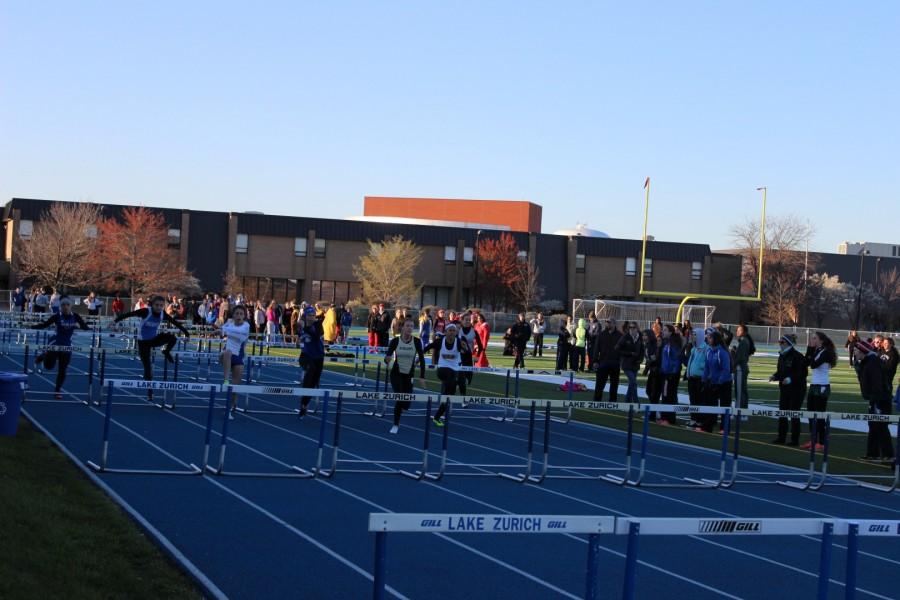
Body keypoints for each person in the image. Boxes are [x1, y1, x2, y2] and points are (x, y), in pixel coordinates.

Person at [114, 296, 190, 394]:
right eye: (157, 305)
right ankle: (150, 391)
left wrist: (186, 333)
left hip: (154, 339)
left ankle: (166, 351)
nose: (159, 307)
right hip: (143, 343)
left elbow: (175, 323)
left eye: (161, 306)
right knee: (147, 367)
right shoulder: (146, 312)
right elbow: (129, 314)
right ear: (152, 305)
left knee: (172, 338)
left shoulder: (163, 314)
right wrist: (115, 321)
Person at [33, 296, 90, 398]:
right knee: (49, 367)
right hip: (55, 342)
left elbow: (84, 326)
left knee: (63, 369)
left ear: (70, 306)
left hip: (67, 345)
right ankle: (44, 356)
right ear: (60, 306)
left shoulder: (75, 316)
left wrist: (89, 327)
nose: (65, 307)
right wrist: (31, 326)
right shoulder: (57, 316)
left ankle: (57, 390)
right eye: (63, 305)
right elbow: (44, 325)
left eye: (67, 305)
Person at [384, 317, 426, 433]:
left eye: (412, 326)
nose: (409, 328)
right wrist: (386, 359)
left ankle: (402, 407)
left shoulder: (417, 341)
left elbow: (422, 360)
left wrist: (422, 377)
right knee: (400, 397)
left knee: (406, 404)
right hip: (396, 374)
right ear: (402, 327)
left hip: (409, 375)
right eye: (407, 326)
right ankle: (395, 425)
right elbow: (387, 357)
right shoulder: (395, 341)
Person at [854, 340, 894, 462]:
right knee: (873, 426)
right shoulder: (868, 361)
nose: (854, 353)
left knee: (881, 426)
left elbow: (877, 384)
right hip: (876, 399)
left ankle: (888, 455)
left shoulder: (872, 363)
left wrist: (875, 401)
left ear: (863, 351)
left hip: (880, 400)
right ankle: (873, 454)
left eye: (856, 350)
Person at [424, 323, 468, 426]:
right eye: (450, 330)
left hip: (455, 370)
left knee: (449, 395)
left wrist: (465, 349)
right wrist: (418, 358)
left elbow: (466, 352)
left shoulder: (458, 342)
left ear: (456, 333)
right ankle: (446, 394)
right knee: (451, 379)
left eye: (454, 330)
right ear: (446, 332)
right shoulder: (440, 341)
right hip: (442, 370)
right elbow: (427, 348)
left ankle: (437, 417)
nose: (452, 332)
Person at [769, 334, 809, 446]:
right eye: (779, 342)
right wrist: (775, 376)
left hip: (797, 390)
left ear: (788, 344)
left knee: (793, 414)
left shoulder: (798, 356)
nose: (780, 344)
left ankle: (794, 440)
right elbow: (780, 372)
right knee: (782, 413)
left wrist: (790, 379)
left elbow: (802, 373)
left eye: (782, 342)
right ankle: (781, 437)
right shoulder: (781, 356)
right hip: (784, 389)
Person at [804, 331, 837, 450]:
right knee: (810, 414)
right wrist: (809, 348)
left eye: (814, 338)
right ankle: (813, 440)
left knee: (820, 415)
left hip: (822, 386)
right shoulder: (817, 351)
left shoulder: (826, 352)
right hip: (814, 385)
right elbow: (806, 362)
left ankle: (821, 442)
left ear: (821, 341)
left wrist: (811, 352)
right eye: (812, 338)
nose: (812, 340)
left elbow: (813, 364)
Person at [218, 305, 250, 418]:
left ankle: (230, 407)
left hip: (239, 355)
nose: (239, 316)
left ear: (244, 316)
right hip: (226, 354)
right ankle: (226, 380)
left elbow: (241, 337)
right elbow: (221, 333)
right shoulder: (229, 324)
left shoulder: (246, 326)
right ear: (233, 315)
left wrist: (226, 330)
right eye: (237, 313)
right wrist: (224, 329)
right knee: (227, 352)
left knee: (235, 385)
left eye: (241, 314)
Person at [700, 329, 732, 433]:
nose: (707, 339)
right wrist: (704, 379)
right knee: (710, 405)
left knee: (724, 406)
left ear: (715, 339)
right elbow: (707, 367)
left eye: (710, 337)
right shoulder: (709, 351)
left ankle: (724, 428)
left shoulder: (722, 352)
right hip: (713, 383)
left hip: (724, 384)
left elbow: (726, 369)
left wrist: (720, 381)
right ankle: (707, 426)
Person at [298, 306, 325, 418]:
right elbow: (300, 337)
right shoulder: (300, 326)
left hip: (318, 356)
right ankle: (304, 391)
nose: (311, 317)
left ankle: (304, 405)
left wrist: (306, 328)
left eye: (313, 315)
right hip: (306, 355)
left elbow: (316, 336)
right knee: (310, 370)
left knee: (314, 382)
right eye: (309, 315)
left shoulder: (318, 325)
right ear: (305, 316)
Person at [592, 318, 622, 401]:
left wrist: (621, 361)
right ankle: (596, 401)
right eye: (606, 322)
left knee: (614, 384)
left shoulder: (620, 335)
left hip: (615, 364)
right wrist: (595, 361)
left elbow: (622, 349)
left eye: (609, 322)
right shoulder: (601, 334)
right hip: (603, 363)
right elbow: (596, 348)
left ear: (614, 324)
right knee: (599, 384)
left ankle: (613, 402)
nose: (607, 324)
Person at [659, 324, 683, 425]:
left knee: (670, 396)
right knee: (665, 395)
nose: (662, 332)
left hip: (672, 375)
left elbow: (676, 361)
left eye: (665, 330)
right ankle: (664, 417)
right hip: (666, 373)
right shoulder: (666, 343)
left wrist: (672, 373)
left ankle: (669, 419)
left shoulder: (674, 344)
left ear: (670, 332)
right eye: (662, 330)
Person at [684, 330, 708, 429]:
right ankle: (693, 419)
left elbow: (707, 363)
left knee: (699, 400)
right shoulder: (694, 348)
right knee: (692, 399)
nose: (692, 336)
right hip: (692, 379)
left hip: (700, 379)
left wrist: (700, 369)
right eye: (692, 334)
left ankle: (699, 421)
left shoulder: (705, 348)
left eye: (694, 335)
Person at [616, 322, 643, 403]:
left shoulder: (640, 337)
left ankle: (627, 403)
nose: (631, 329)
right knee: (633, 382)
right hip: (626, 364)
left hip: (635, 364)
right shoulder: (625, 337)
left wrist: (640, 360)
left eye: (633, 327)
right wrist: (629, 353)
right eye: (630, 327)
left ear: (637, 328)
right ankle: (636, 403)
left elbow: (642, 350)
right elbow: (617, 348)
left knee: (631, 384)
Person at [458, 313, 484, 393]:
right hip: (459, 357)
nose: (468, 321)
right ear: (462, 321)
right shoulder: (458, 330)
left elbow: (480, 346)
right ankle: (463, 398)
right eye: (466, 320)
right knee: (461, 378)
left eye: (469, 320)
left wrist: (477, 356)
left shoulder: (474, 332)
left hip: (469, 357)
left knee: (468, 380)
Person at [732, 324, 753, 409]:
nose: (737, 331)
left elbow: (740, 358)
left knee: (740, 391)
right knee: (741, 390)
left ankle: (740, 411)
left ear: (744, 332)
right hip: (741, 368)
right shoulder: (743, 341)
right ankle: (743, 410)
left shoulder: (744, 342)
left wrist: (732, 365)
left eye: (740, 330)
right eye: (737, 330)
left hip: (740, 369)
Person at [643, 329, 662, 409]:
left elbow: (655, 358)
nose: (644, 337)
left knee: (654, 393)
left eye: (646, 335)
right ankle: (654, 409)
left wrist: (647, 367)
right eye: (643, 335)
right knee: (648, 391)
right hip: (652, 370)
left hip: (657, 371)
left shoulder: (653, 344)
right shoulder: (646, 345)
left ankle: (654, 411)